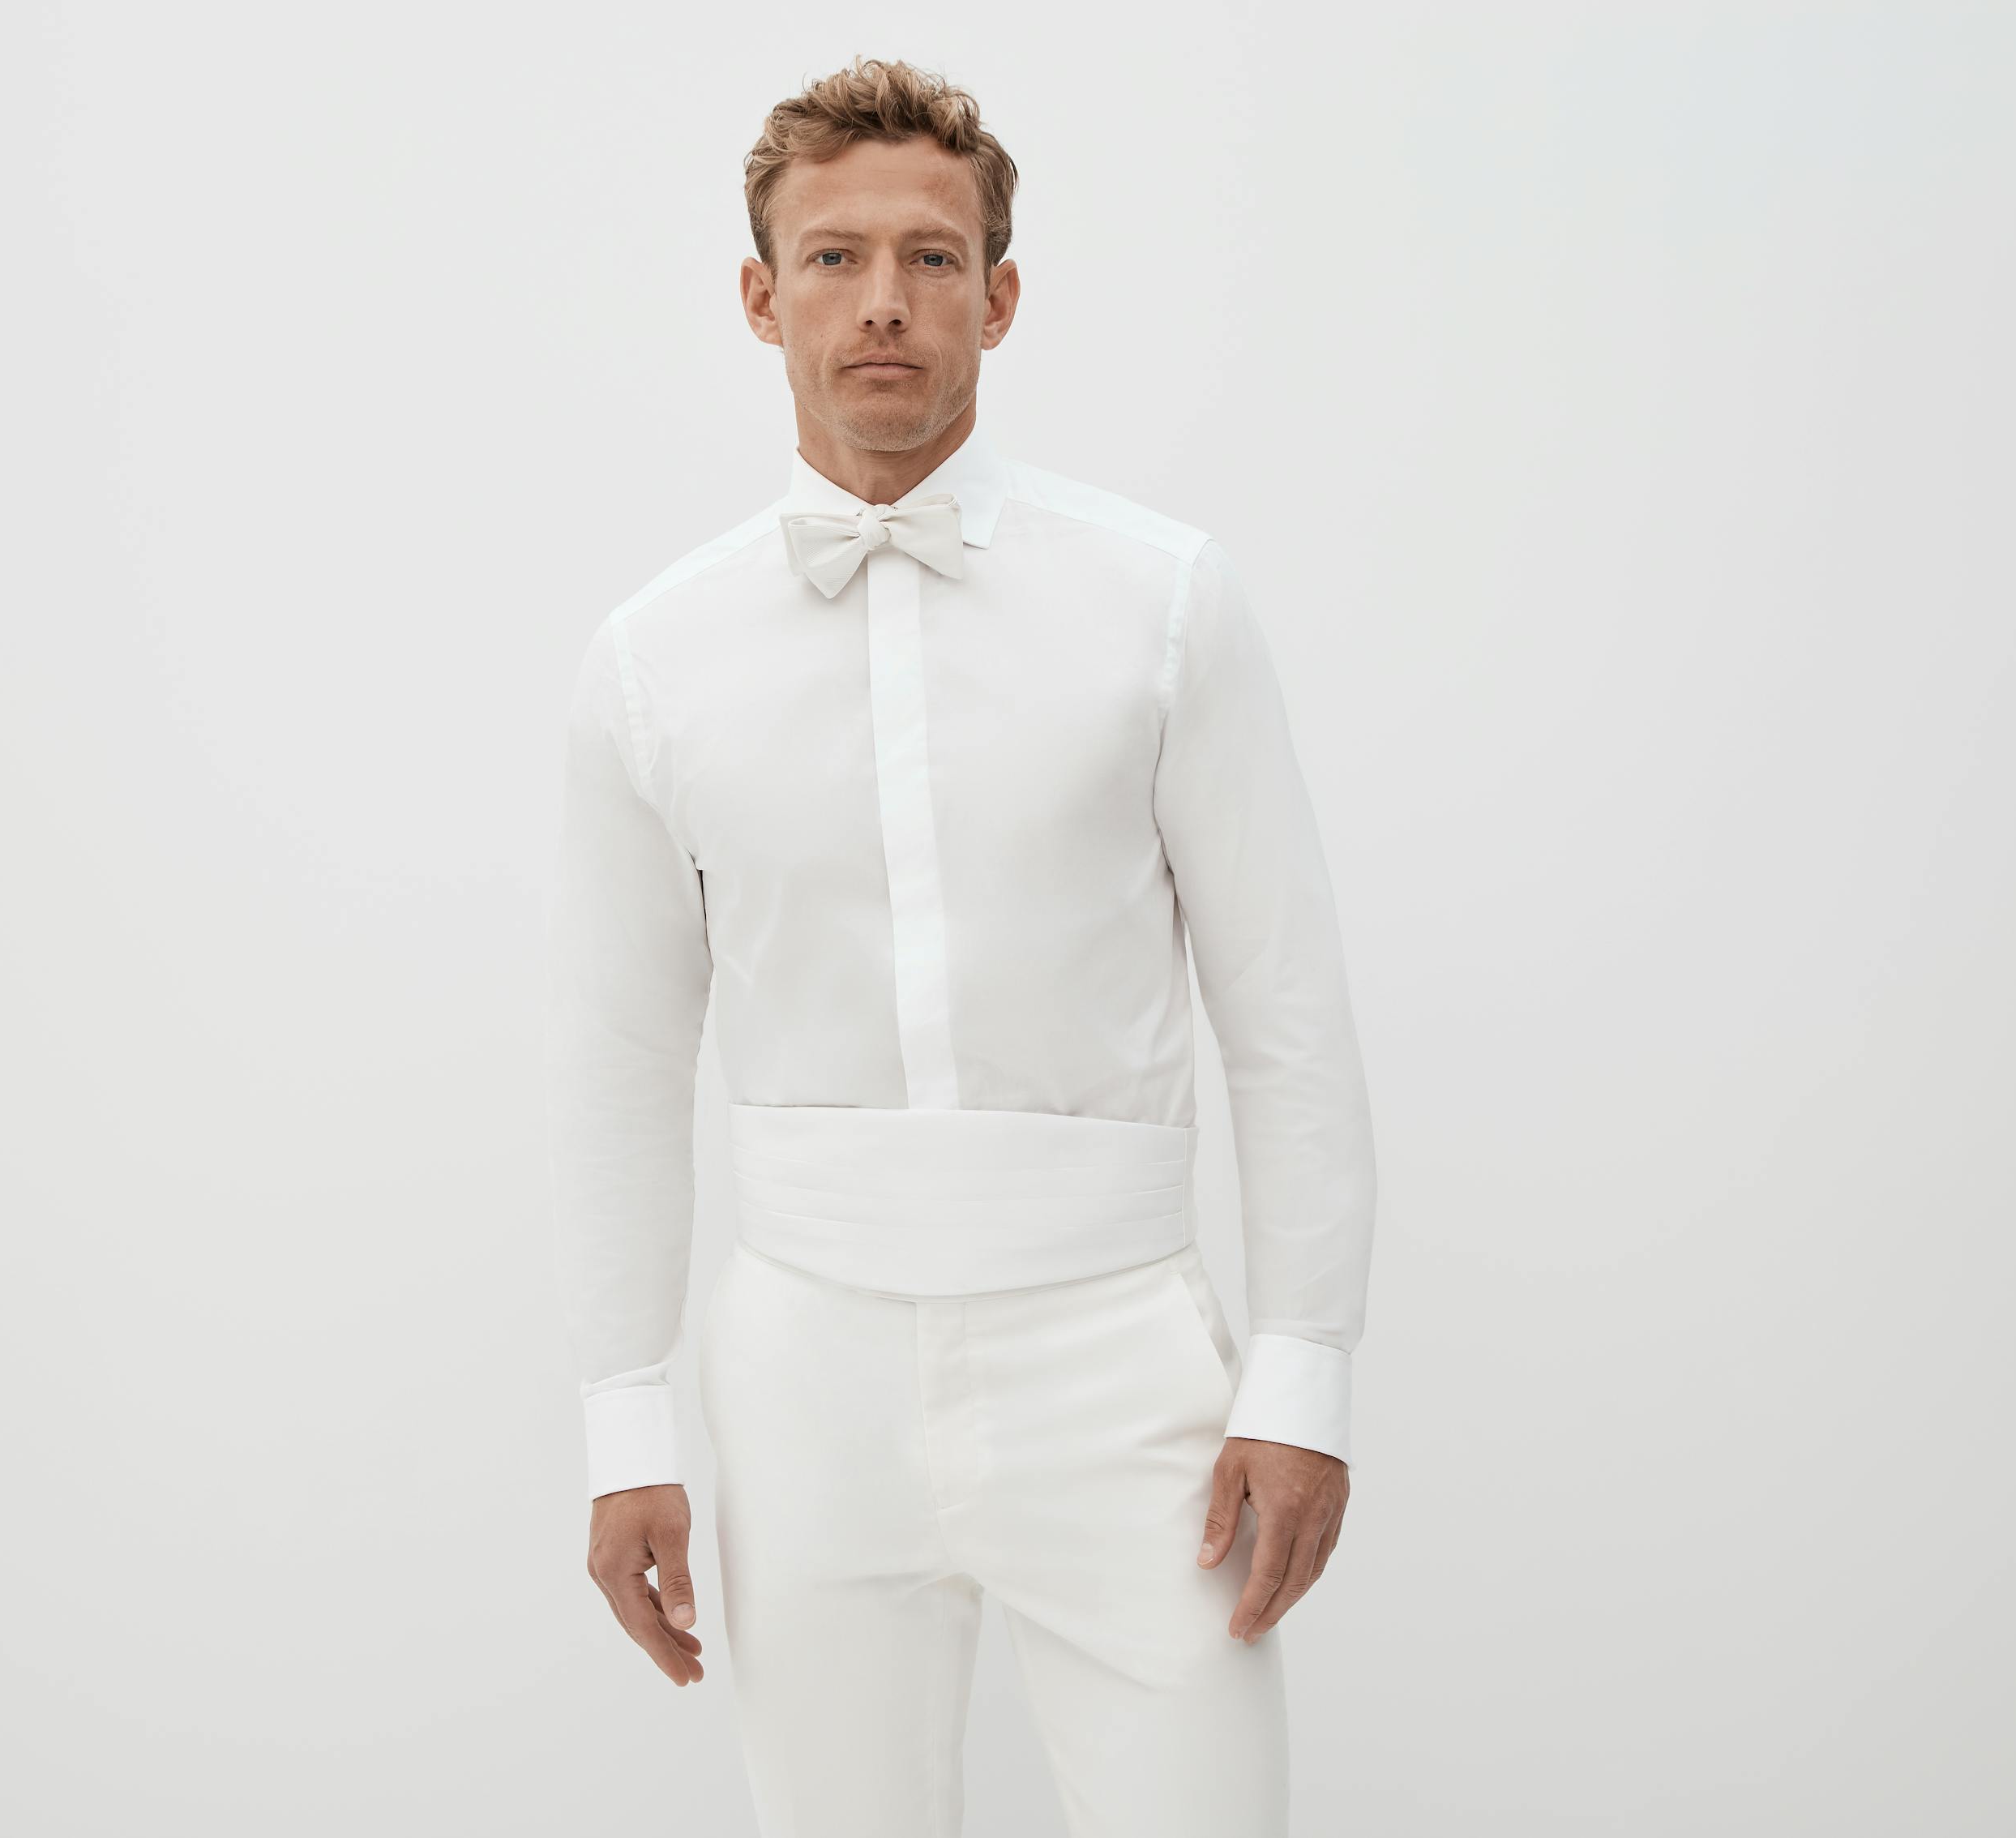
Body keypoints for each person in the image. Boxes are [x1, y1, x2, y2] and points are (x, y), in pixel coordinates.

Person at [541, 54, 1377, 1838]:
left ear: (998, 297)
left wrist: (1300, 1375)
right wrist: (625, 1424)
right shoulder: (650, 662)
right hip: (803, 1373)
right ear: (761, 297)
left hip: (1124, 1356)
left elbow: (1285, 1017)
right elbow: (618, 1066)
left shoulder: (1158, 604)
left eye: (931, 258)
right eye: (832, 260)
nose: (883, 306)